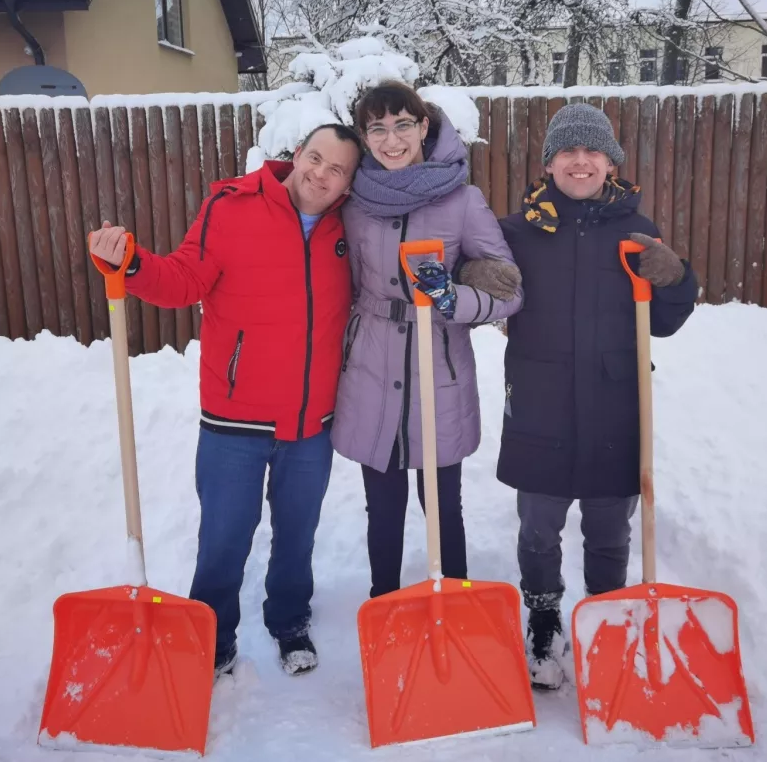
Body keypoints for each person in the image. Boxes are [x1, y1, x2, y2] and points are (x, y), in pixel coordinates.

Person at [88, 123, 362, 678]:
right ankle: (213, 634)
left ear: (349, 184)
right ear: (297, 155)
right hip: (234, 415)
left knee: (297, 532)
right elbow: (183, 280)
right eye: (316, 158)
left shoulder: (350, 227)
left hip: (310, 419)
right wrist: (132, 264)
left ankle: (289, 620)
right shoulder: (232, 206)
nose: (321, 174)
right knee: (223, 536)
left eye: (337, 169)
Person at [462, 102, 698, 690]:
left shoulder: (636, 232)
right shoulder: (518, 231)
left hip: (616, 400)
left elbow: (664, 323)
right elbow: (482, 291)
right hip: (540, 397)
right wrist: (471, 275)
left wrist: (675, 277)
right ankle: (543, 618)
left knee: (609, 526)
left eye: (592, 150)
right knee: (539, 523)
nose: (581, 161)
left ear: (611, 162)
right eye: (568, 151)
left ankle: (606, 616)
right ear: (549, 164)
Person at [332, 80, 523, 599]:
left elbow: (510, 289)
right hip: (371, 367)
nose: (391, 140)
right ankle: (385, 604)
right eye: (377, 128)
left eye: (402, 126)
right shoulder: (351, 201)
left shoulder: (463, 200)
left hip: (438, 370)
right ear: (365, 136)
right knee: (383, 505)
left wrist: (451, 299)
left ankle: (456, 602)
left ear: (423, 128)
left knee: (442, 505)